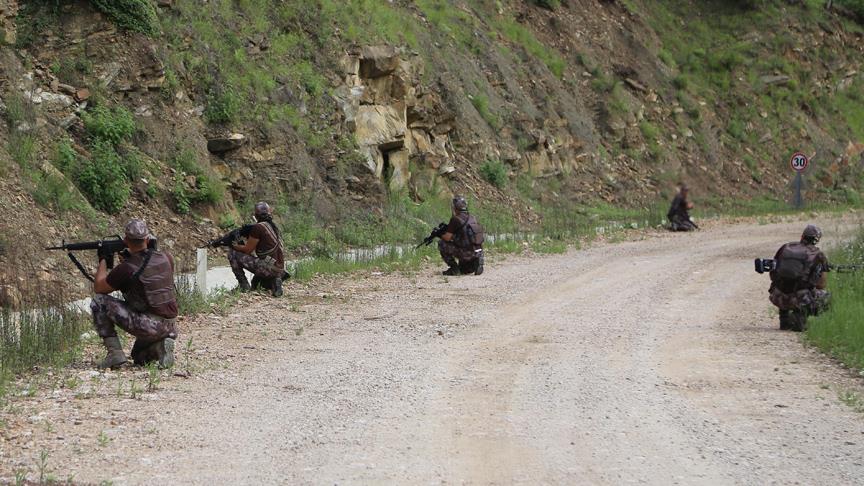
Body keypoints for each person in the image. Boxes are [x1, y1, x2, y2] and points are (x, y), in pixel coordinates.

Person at [91, 219, 178, 369]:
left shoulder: (126, 268)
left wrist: (103, 259)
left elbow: (99, 287)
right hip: (170, 326)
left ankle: (115, 354)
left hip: (148, 325)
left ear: (125, 240)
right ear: (147, 238)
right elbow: (150, 277)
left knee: (99, 301)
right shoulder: (167, 257)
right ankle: (160, 347)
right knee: (139, 358)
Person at [768, 225, 831, 332]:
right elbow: (821, 284)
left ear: (802, 236)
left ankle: (784, 318)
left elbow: (772, 274)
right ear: (817, 240)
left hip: (777, 296)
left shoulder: (785, 247)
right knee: (826, 296)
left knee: (786, 286)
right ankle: (799, 315)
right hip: (800, 299)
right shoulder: (818, 255)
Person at [228, 201, 286, 297]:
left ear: (256, 215)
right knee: (256, 284)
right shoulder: (273, 227)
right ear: (269, 213)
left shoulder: (258, 227)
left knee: (232, 254)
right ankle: (275, 281)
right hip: (279, 268)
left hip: (267, 267)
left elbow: (247, 250)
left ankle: (243, 285)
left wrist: (233, 245)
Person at [438, 195, 485, 276]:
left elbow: (447, 238)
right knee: (464, 270)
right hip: (476, 251)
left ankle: (454, 268)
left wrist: (439, 234)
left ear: (455, 207)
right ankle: (475, 261)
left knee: (442, 243)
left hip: (465, 252)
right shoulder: (472, 218)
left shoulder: (455, 219)